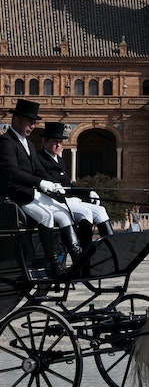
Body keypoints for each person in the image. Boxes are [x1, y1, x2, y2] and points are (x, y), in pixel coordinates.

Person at [0, 99, 82, 275]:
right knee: (46, 216)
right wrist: (40, 183)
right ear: (16, 120)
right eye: (30, 122)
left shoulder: (28, 143)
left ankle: (78, 259)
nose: (33, 126)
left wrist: (54, 184)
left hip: (32, 193)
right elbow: (12, 172)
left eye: (34, 122)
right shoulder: (6, 142)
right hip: (17, 194)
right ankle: (54, 266)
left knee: (64, 214)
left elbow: (38, 169)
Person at [38, 122, 114, 248]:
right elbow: (44, 180)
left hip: (68, 199)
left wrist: (88, 191)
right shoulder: (39, 159)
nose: (58, 145)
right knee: (85, 212)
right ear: (44, 142)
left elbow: (69, 185)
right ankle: (85, 252)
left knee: (101, 210)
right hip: (54, 201)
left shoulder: (60, 160)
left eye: (60, 142)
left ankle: (113, 248)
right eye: (54, 141)